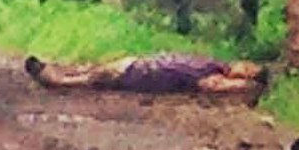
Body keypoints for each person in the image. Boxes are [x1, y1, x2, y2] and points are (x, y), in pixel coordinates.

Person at [24, 53, 268, 101]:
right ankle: (57, 72)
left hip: (146, 73)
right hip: (144, 63)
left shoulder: (212, 77)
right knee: (94, 70)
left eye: (248, 69)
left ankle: (58, 81)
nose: (243, 65)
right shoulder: (216, 63)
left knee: (96, 77)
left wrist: (248, 84)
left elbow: (215, 88)